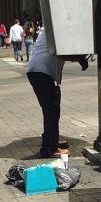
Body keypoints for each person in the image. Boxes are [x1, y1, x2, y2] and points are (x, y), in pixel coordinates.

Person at [27, 27, 85, 159]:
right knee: (51, 110)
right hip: (41, 71)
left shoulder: (50, 27)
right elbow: (60, 53)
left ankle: (52, 139)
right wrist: (78, 58)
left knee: (53, 109)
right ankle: (49, 148)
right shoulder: (54, 28)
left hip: (40, 71)